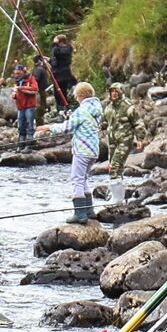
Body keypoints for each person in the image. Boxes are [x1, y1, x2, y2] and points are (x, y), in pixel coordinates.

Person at [39, 82, 104, 222]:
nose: (76, 99)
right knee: (83, 179)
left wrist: (49, 128)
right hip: (94, 150)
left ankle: (80, 215)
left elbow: (66, 128)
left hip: (82, 150)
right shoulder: (97, 109)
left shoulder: (81, 111)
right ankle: (89, 211)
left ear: (80, 96)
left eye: (76, 96)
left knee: (76, 180)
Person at [103, 82, 146, 204]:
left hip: (124, 141)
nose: (114, 94)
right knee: (114, 166)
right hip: (112, 141)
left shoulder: (128, 107)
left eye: (116, 92)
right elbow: (105, 122)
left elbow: (138, 123)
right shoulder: (109, 107)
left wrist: (140, 139)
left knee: (115, 166)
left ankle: (117, 199)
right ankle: (117, 196)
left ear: (121, 92)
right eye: (112, 92)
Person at [12, 63, 39, 144]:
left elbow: (35, 89)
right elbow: (16, 92)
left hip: (29, 106)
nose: (17, 75)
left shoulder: (30, 78)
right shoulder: (16, 81)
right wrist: (14, 95)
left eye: (18, 73)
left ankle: (30, 141)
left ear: (23, 71)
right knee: (20, 125)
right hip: (20, 106)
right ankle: (21, 141)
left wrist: (22, 88)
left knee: (30, 124)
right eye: (16, 73)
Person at [50, 34, 77, 107]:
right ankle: (60, 106)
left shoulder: (66, 49)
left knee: (61, 92)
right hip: (57, 74)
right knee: (57, 93)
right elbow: (55, 59)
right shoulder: (59, 49)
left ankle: (63, 106)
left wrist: (54, 44)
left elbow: (56, 53)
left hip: (62, 74)